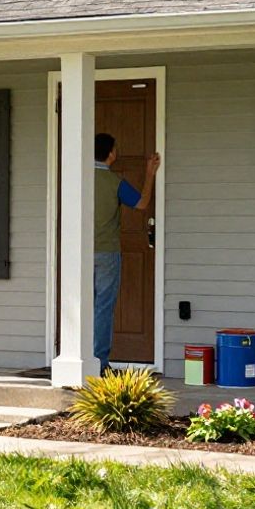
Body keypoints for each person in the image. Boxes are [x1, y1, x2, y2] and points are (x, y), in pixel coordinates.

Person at [93, 133, 161, 375]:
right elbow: (141, 203)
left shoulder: (78, 179)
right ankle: (99, 364)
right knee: (103, 308)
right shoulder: (114, 182)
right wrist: (150, 173)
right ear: (111, 153)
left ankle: (81, 361)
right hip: (107, 253)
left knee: (82, 306)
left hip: (79, 253)